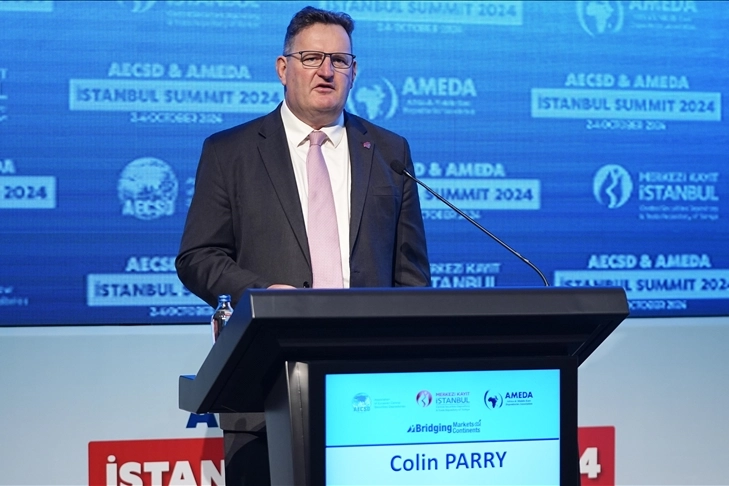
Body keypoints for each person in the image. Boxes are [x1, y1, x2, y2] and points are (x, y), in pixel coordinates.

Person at [176, 5, 430, 485]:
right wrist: (263, 296)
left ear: (354, 71)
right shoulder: (230, 151)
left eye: (340, 60)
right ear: (283, 67)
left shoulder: (389, 151)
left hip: (374, 397)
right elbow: (198, 257)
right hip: (265, 389)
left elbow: (410, 274)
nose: (326, 71)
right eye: (312, 58)